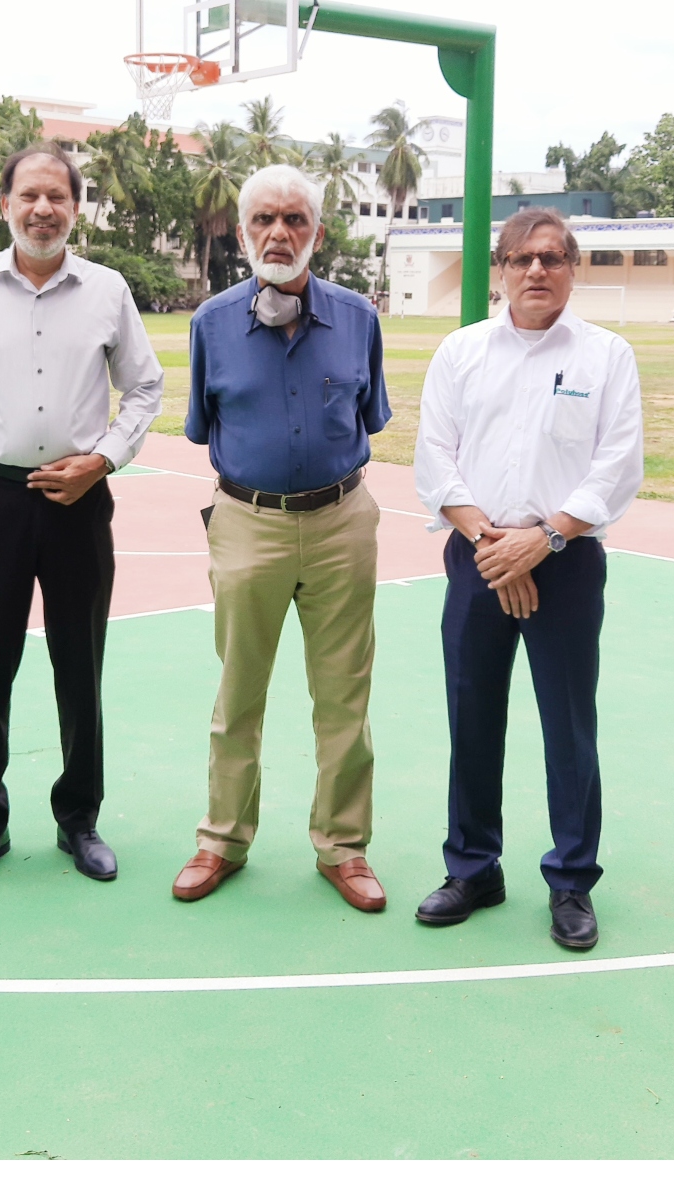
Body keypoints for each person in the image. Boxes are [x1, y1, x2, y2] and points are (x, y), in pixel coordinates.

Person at [0, 148, 163, 890]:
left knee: (78, 666)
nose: (43, 210)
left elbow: (145, 389)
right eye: (30, 196)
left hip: (78, 501)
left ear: (76, 208)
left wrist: (105, 458)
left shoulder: (108, 290)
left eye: (57, 197)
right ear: (5, 205)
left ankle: (78, 819)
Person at [410, 207, 642, 951]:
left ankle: (571, 879)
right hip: (478, 556)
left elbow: (617, 465)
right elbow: (434, 459)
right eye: (521, 259)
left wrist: (541, 540)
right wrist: (493, 544)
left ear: (572, 268)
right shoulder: (461, 351)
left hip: (566, 564)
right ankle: (474, 867)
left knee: (568, 725)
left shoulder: (608, 357)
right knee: (472, 716)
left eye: (551, 258)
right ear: (501, 271)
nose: (536, 270)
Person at [174, 164, 396, 911]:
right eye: (264, 220)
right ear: (241, 234)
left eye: (295, 220)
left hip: (342, 522)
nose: (279, 233)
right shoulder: (210, 325)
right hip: (247, 523)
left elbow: (370, 419)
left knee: (343, 698)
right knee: (238, 694)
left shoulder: (360, 320)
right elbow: (206, 429)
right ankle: (222, 840)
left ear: (318, 234)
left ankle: (344, 847)